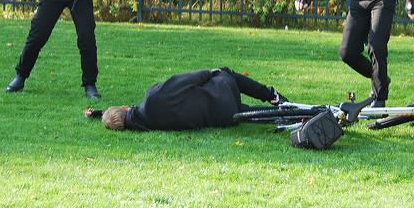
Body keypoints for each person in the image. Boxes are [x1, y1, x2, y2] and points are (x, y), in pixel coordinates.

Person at [84, 67, 288, 131]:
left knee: (242, 109)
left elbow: (129, 116)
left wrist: (99, 114)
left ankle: (282, 115)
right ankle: (272, 96)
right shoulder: (154, 98)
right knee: (225, 72)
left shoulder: (149, 125)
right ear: (124, 107)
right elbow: (188, 79)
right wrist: (210, 72)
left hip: (225, 116)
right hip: (222, 92)